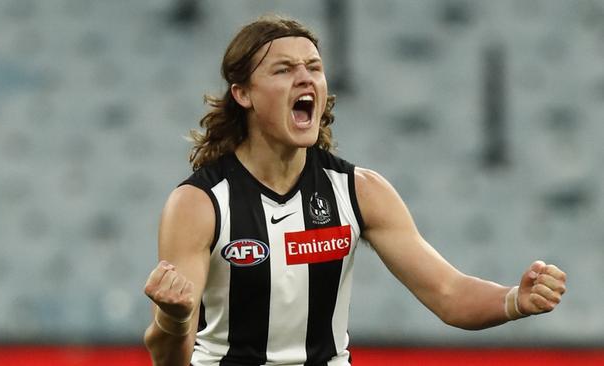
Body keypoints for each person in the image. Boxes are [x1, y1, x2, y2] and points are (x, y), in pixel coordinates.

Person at [143, 14, 567, 366]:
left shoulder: (359, 190)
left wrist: (515, 299)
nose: (305, 79)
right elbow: (167, 358)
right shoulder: (199, 204)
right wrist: (177, 320)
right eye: (284, 69)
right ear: (243, 94)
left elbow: (449, 294)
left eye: (314, 67)